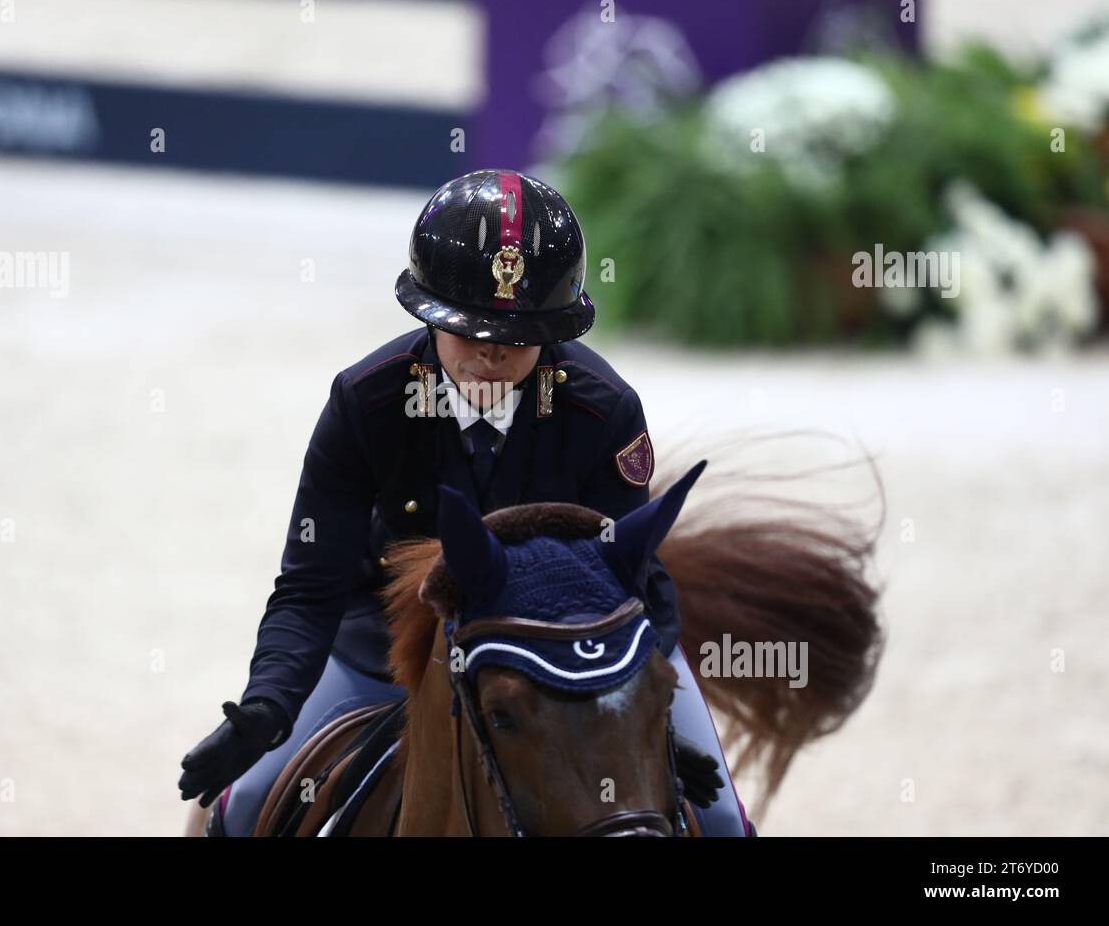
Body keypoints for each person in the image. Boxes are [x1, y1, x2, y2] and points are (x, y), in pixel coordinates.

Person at [178, 169, 750, 836]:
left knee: (720, 821)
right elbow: (311, 586)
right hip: (388, 651)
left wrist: (638, 720)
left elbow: (635, 581)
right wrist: (270, 703)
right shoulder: (366, 402)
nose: (490, 356)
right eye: (470, 335)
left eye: (516, 338)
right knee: (242, 808)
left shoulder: (603, 410)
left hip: (563, 653)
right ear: (427, 315)